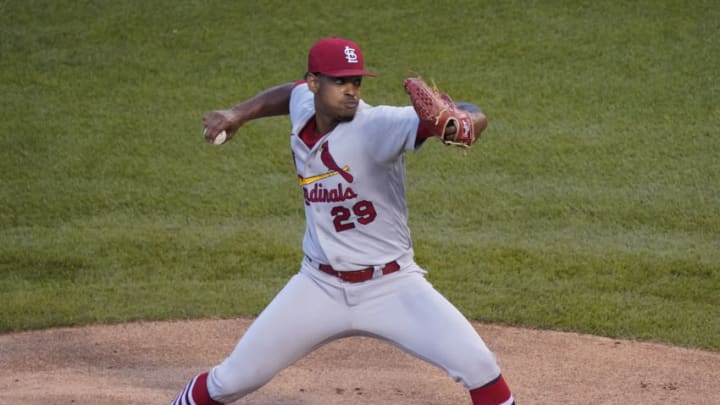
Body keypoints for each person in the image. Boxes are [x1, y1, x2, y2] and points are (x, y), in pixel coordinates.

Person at [171, 36, 515, 405]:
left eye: (357, 81)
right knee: (231, 380)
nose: (351, 91)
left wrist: (461, 123)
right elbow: (290, 93)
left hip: (393, 286)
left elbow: (467, 111)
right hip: (318, 286)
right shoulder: (305, 103)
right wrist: (237, 113)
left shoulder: (378, 125)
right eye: (340, 81)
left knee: (481, 368)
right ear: (315, 83)